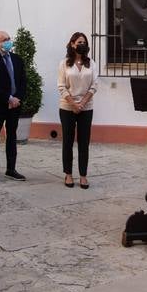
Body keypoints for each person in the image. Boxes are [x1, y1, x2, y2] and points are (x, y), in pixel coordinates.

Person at [57, 32, 98, 189]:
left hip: (86, 108)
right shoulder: (64, 64)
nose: (82, 44)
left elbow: (94, 85)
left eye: (84, 42)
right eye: (80, 42)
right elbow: (61, 86)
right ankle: (68, 174)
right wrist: (74, 104)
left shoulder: (91, 63)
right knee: (67, 141)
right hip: (67, 107)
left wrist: (82, 103)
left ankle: (83, 175)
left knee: (84, 142)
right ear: (73, 44)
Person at [0, 30, 27, 183]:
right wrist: (8, 98)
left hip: (14, 106)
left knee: (12, 137)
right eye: (4, 39)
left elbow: (23, 82)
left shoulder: (17, 59)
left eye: (9, 39)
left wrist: (17, 99)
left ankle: (11, 169)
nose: (8, 41)